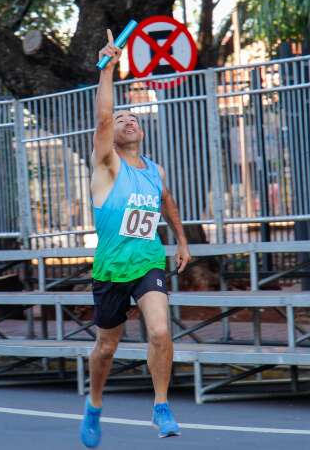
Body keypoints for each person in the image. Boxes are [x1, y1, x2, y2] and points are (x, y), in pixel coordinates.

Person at [79, 29, 191, 448]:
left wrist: (180, 241)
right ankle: (93, 405)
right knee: (106, 348)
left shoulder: (154, 169)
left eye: (135, 117)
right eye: (123, 118)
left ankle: (161, 404)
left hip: (148, 260)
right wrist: (108, 68)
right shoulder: (105, 165)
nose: (129, 120)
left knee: (160, 331)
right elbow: (103, 117)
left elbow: (166, 201)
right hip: (110, 267)